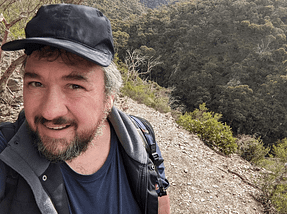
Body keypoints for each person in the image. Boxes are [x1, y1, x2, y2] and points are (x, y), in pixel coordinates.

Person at [0, 4, 170, 214]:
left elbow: (160, 202)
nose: (50, 112)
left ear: (108, 97)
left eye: (75, 86)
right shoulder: (5, 153)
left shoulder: (141, 137)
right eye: (36, 83)